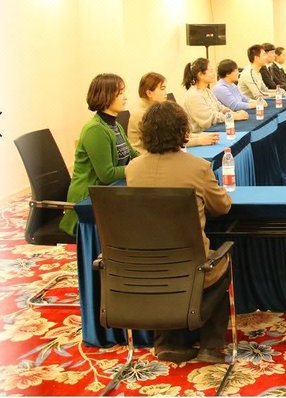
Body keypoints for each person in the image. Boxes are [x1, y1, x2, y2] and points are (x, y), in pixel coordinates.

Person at [126, 101, 232, 363]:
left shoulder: (133, 169)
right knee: (221, 262)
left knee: (166, 263)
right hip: (193, 266)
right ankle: (211, 345)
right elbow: (222, 207)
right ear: (183, 131)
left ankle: (167, 341)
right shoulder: (198, 167)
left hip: (146, 265)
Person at [60, 74, 139, 236]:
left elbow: (133, 154)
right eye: (120, 93)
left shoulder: (115, 125)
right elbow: (107, 174)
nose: (125, 97)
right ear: (105, 96)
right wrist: (138, 168)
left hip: (108, 192)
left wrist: (151, 160)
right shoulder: (95, 129)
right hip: (88, 201)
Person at [129, 72, 219, 151]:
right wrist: (199, 141)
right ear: (149, 93)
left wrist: (200, 136)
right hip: (147, 157)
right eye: (162, 88)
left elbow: (175, 134)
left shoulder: (157, 108)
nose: (166, 92)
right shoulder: (142, 114)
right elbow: (168, 142)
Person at [183, 58, 248, 132]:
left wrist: (233, 113)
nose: (214, 74)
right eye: (211, 71)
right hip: (203, 134)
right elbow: (209, 120)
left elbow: (219, 107)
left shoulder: (207, 90)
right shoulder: (193, 96)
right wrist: (233, 116)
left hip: (215, 130)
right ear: (200, 74)